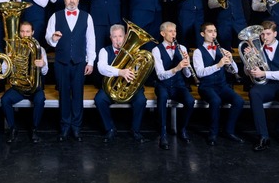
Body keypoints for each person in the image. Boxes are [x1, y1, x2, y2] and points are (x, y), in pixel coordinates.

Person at [45, 0, 96, 142]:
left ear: (78, 0)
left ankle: (77, 127)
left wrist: (90, 62)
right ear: (64, 0)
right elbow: (48, 37)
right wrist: (53, 39)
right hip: (61, 62)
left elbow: (91, 41)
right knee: (64, 95)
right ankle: (65, 126)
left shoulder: (87, 17)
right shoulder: (55, 16)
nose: (72, 1)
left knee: (78, 95)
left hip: (79, 62)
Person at [247, 21, 279, 152]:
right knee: (254, 93)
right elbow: (249, 73)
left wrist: (264, 73)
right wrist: (249, 61)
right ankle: (263, 136)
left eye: (268, 34)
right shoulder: (257, 49)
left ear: (275, 34)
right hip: (267, 85)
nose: (265, 37)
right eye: (262, 34)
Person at [192, 23, 245, 146]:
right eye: (210, 31)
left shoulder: (222, 50)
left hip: (222, 85)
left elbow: (234, 71)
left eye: (215, 31)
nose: (213, 34)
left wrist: (231, 60)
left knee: (239, 101)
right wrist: (218, 65)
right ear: (202, 34)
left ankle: (229, 130)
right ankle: (213, 133)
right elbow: (200, 73)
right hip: (206, 86)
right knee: (216, 101)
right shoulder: (198, 52)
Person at [94, 24, 148, 143]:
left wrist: (135, 69)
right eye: (115, 37)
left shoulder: (134, 52)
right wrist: (120, 72)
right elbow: (101, 68)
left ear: (125, 37)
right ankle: (110, 129)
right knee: (99, 99)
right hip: (111, 87)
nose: (118, 40)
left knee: (141, 100)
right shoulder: (104, 51)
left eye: (120, 36)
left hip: (130, 86)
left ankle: (135, 130)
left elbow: (139, 71)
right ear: (110, 38)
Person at [2, 21, 48, 144]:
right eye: (22, 31)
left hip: (35, 87)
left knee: (40, 100)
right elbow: (4, 71)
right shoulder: (12, 48)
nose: (25, 34)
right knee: (5, 100)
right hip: (19, 88)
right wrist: (9, 61)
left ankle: (34, 129)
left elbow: (45, 72)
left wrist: (42, 64)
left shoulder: (40, 49)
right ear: (19, 33)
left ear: (32, 33)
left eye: (28, 31)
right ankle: (13, 129)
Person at [152, 22, 195, 150]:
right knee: (162, 98)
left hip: (178, 85)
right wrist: (176, 68)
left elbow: (187, 75)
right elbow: (160, 75)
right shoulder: (156, 50)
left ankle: (182, 129)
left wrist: (187, 63)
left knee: (190, 101)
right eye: (170, 31)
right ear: (162, 33)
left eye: (175, 31)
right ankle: (163, 133)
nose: (173, 34)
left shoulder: (182, 48)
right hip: (163, 85)